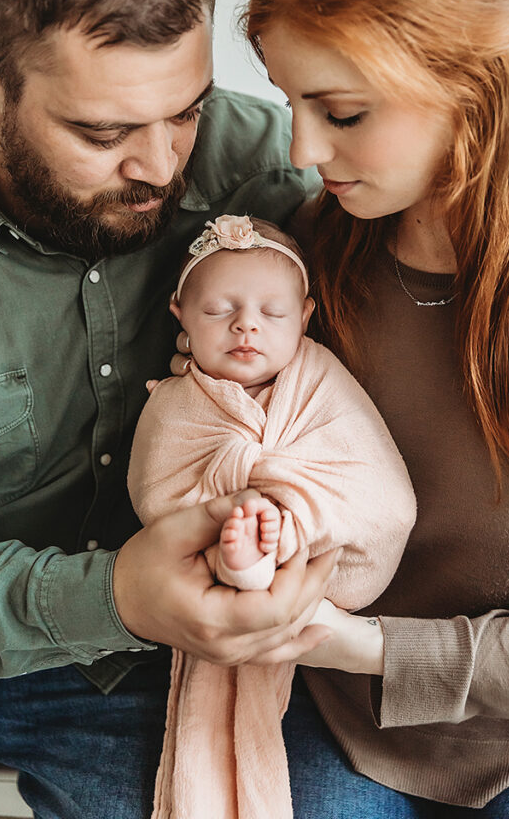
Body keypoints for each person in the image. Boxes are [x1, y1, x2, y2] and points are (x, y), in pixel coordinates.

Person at [0, 0, 338, 819]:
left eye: (183, 112)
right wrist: (110, 594)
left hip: (146, 676)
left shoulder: (268, 171)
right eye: (103, 133)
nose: (159, 166)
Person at [239, 0, 509, 816]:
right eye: (289, 101)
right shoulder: (308, 257)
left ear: (474, 84)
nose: (301, 152)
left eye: (343, 112)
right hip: (342, 718)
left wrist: (361, 644)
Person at [127, 213, 416, 819]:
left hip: (327, 569)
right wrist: (228, 499)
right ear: (179, 313)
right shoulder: (177, 401)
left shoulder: (323, 379)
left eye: (272, 313)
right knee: (199, 532)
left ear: (306, 316)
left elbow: (376, 484)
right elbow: (157, 490)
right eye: (218, 311)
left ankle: (262, 550)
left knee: (298, 514)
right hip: (207, 565)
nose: (246, 325)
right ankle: (243, 558)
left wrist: (290, 507)